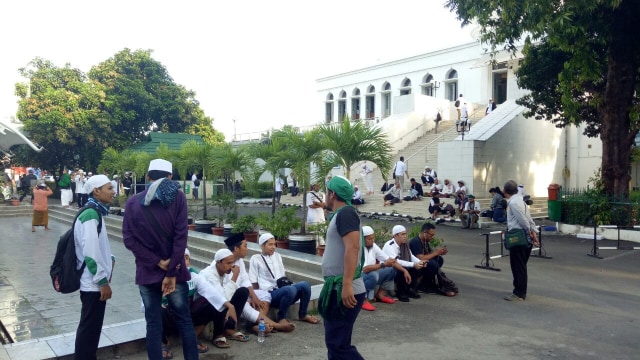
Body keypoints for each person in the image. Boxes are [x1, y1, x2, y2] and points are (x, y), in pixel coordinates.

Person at [122, 158, 199, 360]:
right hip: (175, 274)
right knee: (184, 320)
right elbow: (181, 237)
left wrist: (156, 262)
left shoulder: (132, 202)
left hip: (147, 273)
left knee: (153, 324)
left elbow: (129, 240)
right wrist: (171, 271)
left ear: (147, 176)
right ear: (170, 177)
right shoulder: (178, 198)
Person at [317, 175, 365, 359]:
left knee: (338, 346)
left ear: (333, 194)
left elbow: (353, 248)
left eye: (326, 191)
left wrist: (346, 284)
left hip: (343, 289)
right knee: (336, 344)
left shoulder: (346, 213)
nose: (325, 197)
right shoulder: (341, 214)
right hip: (337, 287)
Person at [213, 233, 295, 334]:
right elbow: (227, 290)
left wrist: (254, 296)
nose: (247, 249)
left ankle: (257, 325)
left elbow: (245, 279)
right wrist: (246, 298)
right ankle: (277, 325)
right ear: (236, 248)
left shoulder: (240, 260)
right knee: (246, 306)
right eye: (245, 246)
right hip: (229, 298)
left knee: (264, 295)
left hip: (242, 293)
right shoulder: (223, 263)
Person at [73, 175, 115, 360]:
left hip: (94, 283)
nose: (113, 192)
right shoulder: (90, 214)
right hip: (93, 284)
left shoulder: (96, 212)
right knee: (89, 329)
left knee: (92, 329)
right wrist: (102, 281)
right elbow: (90, 254)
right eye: (109, 188)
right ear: (96, 191)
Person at [249, 233, 319, 324]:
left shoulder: (277, 256)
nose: (273, 247)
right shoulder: (255, 259)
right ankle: (281, 317)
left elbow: (282, 276)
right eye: (270, 244)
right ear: (262, 246)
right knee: (290, 289)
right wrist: (257, 299)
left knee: (305, 285)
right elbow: (253, 282)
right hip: (269, 294)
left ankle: (303, 315)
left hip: (283, 291)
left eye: (274, 244)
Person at [195, 249, 249, 349]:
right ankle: (218, 334)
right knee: (220, 302)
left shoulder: (222, 272)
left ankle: (229, 328)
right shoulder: (208, 274)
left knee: (243, 291)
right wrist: (235, 276)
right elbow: (221, 297)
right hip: (200, 310)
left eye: (232, 262)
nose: (232, 266)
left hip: (214, 306)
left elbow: (228, 293)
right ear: (218, 263)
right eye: (228, 263)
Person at [503, 180, 539, 302]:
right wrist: (534, 232)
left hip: (519, 237)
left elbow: (523, 220)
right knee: (521, 266)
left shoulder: (513, 202)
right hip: (525, 236)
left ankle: (519, 293)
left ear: (505, 191)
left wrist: (530, 231)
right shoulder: (520, 200)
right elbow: (529, 218)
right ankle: (519, 291)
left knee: (518, 266)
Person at [360, 226, 408, 311]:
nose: (373, 240)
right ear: (363, 239)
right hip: (359, 277)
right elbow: (365, 269)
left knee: (391, 270)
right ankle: (364, 300)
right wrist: (383, 265)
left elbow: (387, 259)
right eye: (370, 239)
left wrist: (404, 270)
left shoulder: (373, 246)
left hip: (371, 273)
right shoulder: (358, 248)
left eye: (373, 238)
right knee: (373, 275)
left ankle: (380, 295)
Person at [409, 223, 457, 297]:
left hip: (422, 265)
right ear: (425, 233)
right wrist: (435, 253)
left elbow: (429, 254)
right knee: (432, 264)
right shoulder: (415, 241)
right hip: (415, 267)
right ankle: (424, 284)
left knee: (439, 260)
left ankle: (427, 281)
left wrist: (439, 252)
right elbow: (420, 258)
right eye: (431, 235)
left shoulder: (425, 242)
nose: (432, 237)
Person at [382, 225, 424, 302]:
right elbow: (396, 261)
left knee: (417, 268)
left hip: (399, 266)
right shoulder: (389, 245)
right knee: (401, 269)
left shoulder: (404, 244)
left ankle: (410, 289)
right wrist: (412, 264)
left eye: (405, 234)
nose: (405, 236)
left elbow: (411, 256)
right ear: (395, 235)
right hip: (389, 268)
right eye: (402, 234)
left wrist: (419, 262)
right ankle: (400, 292)